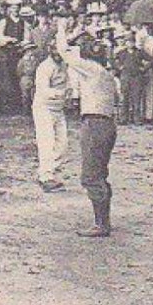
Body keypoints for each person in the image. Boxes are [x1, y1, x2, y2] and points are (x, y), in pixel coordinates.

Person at [55, 20, 120, 239]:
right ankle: (104, 220)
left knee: (91, 175)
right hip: (106, 123)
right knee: (100, 173)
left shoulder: (92, 70)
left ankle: (101, 224)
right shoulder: (105, 73)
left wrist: (63, 29)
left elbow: (63, 51)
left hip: (95, 123)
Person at [31, 44, 71, 193]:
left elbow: (68, 83)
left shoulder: (64, 65)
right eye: (56, 50)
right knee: (47, 142)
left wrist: (69, 92)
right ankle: (45, 177)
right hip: (43, 108)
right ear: (51, 50)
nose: (58, 53)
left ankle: (51, 173)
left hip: (58, 109)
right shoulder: (44, 67)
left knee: (63, 144)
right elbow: (44, 90)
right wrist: (61, 93)